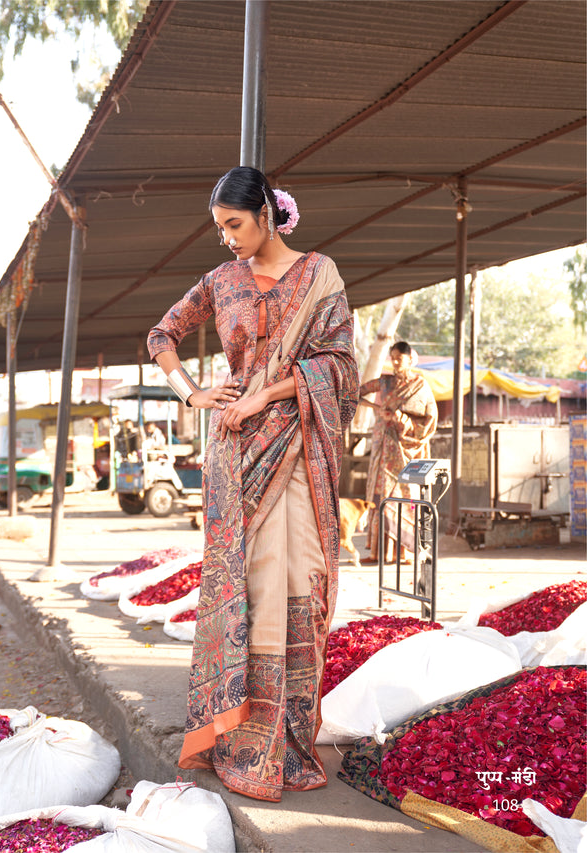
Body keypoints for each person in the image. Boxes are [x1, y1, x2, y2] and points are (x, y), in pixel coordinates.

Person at [147, 166, 359, 802]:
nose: (228, 239)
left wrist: (266, 391)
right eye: (219, 230)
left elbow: (339, 363)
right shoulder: (220, 281)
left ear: (267, 213)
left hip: (297, 447)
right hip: (236, 454)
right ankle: (241, 734)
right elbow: (162, 335)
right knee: (248, 584)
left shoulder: (320, 274)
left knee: (300, 578)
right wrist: (195, 393)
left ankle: (286, 736)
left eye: (234, 225)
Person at [359, 341, 438, 565]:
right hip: (383, 445)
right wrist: (378, 410)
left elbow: (430, 419)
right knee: (381, 495)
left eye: (399, 357)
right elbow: (355, 394)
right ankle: (378, 553)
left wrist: (402, 420)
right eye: (392, 356)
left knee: (404, 496)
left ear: (411, 359)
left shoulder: (420, 386)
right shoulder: (384, 382)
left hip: (405, 448)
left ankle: (403, 553)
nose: (394, 361)